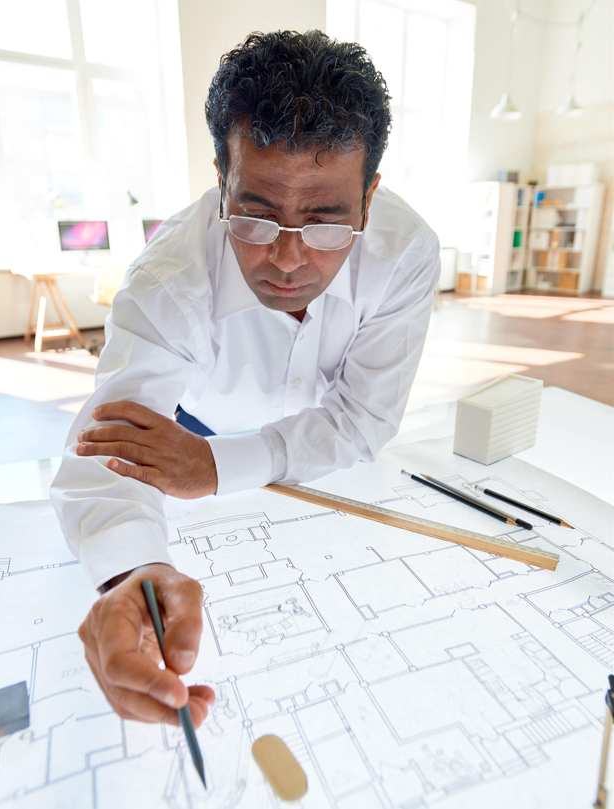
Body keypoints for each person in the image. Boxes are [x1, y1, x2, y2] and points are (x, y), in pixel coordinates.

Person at [50, 30, 440, 729]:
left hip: (315, 460)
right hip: (188, 432)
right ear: (221, 177)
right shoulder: (169, 277)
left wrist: (223, 466)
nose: (288, 260)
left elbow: (364, 420)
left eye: (326, 224)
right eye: (255, 215)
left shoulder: (405, 252)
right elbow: (106, 452)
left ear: (370, 197)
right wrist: (130, 574)